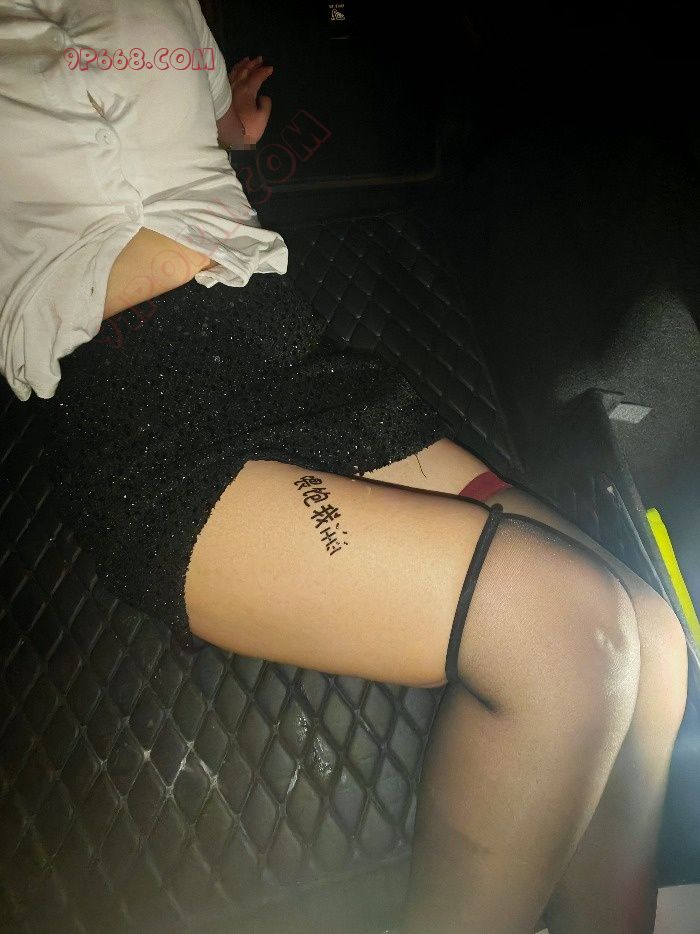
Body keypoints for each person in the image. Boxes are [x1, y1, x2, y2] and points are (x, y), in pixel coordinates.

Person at [0, 2, 690, 931]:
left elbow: (191, 132)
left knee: (653, 641)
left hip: (292, 361)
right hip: (141, 413)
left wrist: (233, 135)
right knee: (575, 641)